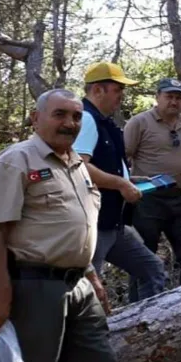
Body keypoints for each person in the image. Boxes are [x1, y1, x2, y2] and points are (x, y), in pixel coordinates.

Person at [0, 89, 118, 362]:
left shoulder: (77, 165)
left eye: (76, 116)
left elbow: (72, 228)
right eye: (59, 114)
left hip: (80, 285)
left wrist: (91, 277)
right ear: (36, 119)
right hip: (35, 287)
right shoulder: (16, 161)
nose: (70, 123)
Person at [74, 62, 166, 301]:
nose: (122, 96)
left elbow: (101, 163)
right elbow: (79, 167)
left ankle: (146, 327)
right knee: (88, 291)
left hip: (113, 223)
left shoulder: (103, 121)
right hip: (94, 225)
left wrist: (129, 178)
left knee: (152, 269)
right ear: (97, 90)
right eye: (117, 89)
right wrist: (121, 184)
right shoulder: (86, 119)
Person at [124, 78, 181, 290]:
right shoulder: (139, 122)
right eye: (169, 96)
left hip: (179, 198)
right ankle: (139, 308)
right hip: (147, 199)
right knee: (143, 257)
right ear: (157, 97)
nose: (174, 102)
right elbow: (123, 159)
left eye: (178, 98)